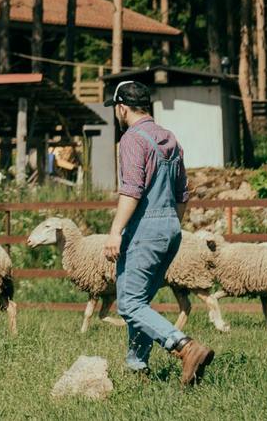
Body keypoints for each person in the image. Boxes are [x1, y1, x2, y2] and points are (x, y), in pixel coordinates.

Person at [102, 79, 214, 386]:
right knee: (139, 300)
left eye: (116, 109)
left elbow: (132, 190)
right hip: (170, 228)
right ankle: (138, 367)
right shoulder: (169, 138)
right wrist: (171, 225)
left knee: (129, 304)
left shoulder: (131, 140)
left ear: (122, 108)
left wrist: (115, 231)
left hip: (145, 228)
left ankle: (183, 346)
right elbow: (182, 193)